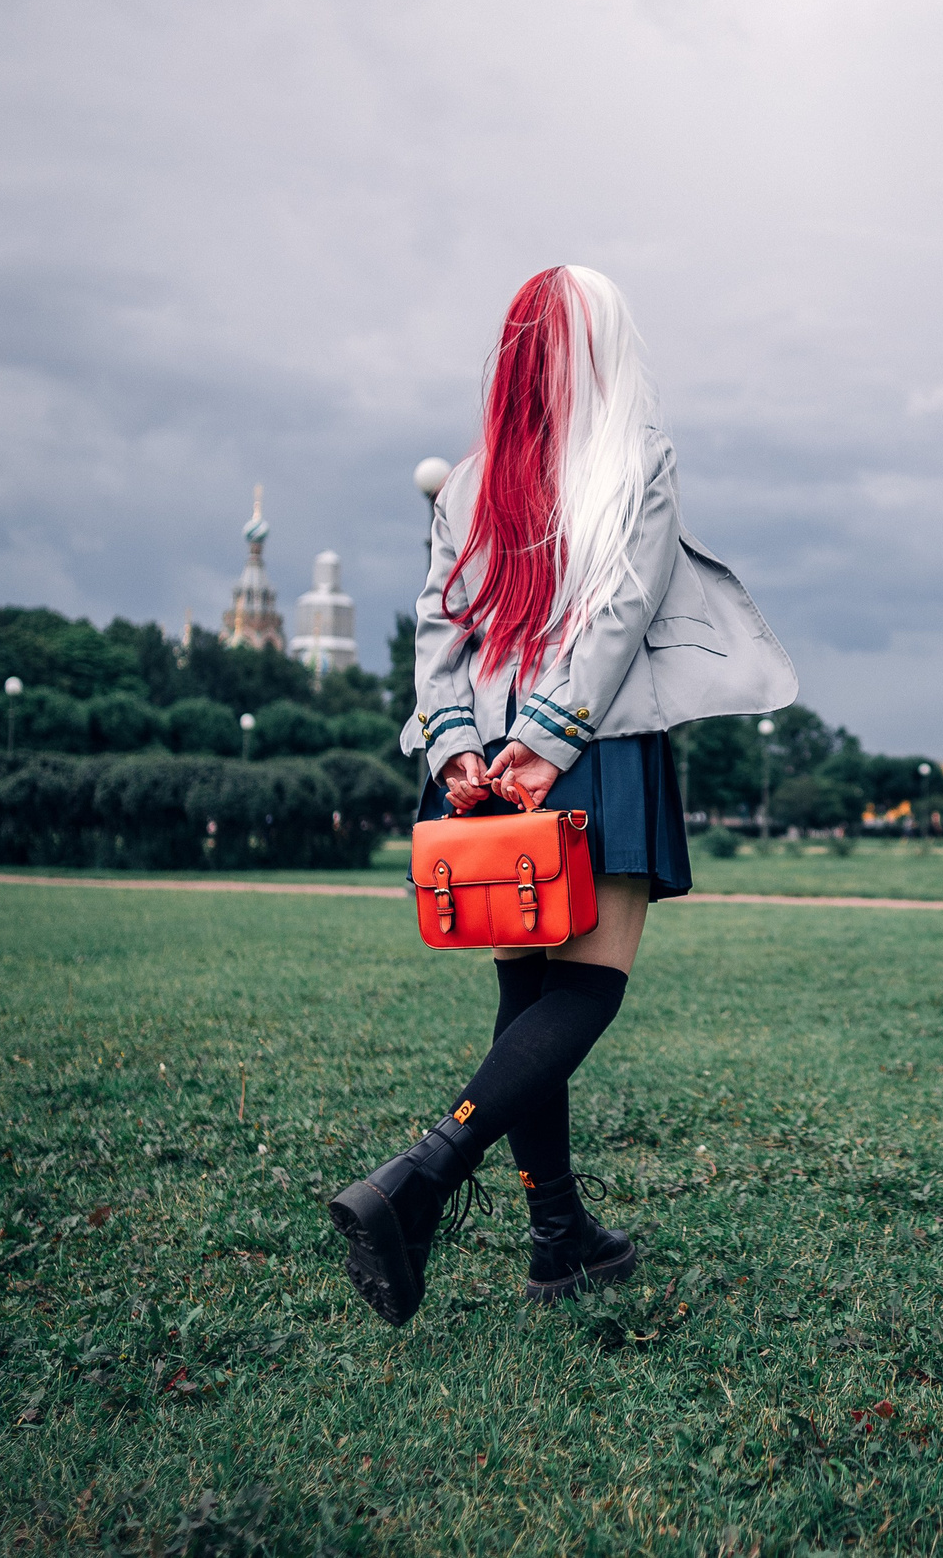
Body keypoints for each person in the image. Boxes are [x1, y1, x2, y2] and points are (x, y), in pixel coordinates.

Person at [329, 265, 796, 1326]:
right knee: (583, 992)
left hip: (483, 769)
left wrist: (457, 748)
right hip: (591, 746)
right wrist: (552, 738)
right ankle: (419, 1181)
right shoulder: (637, 459)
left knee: (527, 997)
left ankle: (558, 1240)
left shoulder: (466, 481)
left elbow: (438, 628)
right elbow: (623, 612)